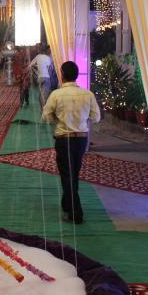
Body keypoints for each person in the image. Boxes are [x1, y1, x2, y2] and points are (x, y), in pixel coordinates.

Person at [42, 61, 101, 224]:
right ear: (77, 75)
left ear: (62, 75)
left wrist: (58, 119)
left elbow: (46, 117)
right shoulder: (88, 94)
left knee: (67, 174)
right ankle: (67, 203)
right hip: (81, 139)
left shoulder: (56, 95)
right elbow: (96, 117)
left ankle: (76, 213)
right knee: (73, 172)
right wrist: (81, 118)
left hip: (64, 139)